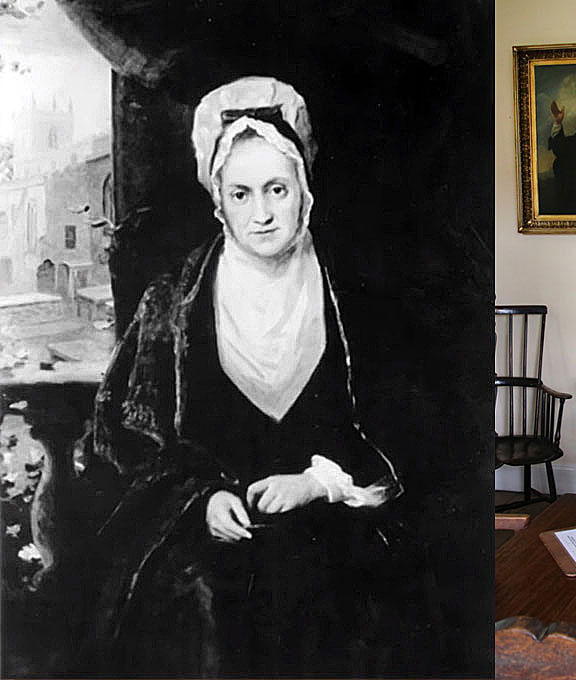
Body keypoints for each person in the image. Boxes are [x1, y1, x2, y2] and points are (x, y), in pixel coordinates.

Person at [74, 76, 405, 677]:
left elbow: (409, 423)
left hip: (334, 522)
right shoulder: (172, 299)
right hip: (206, 534)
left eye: (277, 189)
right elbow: (127, 433)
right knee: (202, 609)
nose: (262, 213)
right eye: (242, 193)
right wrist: (201, 501)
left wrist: (318, 482)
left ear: (304, 192)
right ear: (218, 200)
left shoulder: (357, 295)